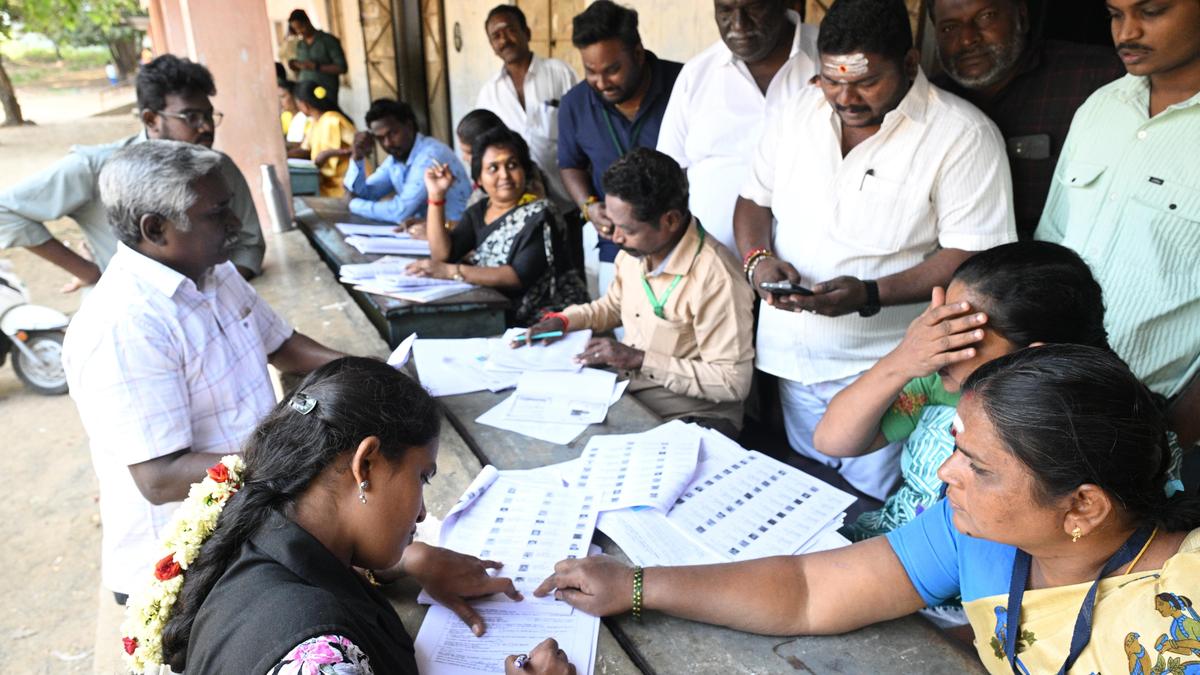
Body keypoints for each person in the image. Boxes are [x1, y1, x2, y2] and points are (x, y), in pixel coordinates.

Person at [536, 345, 1200, 675]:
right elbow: (807, 590)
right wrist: (640, 584)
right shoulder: (979, 530)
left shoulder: (1183, 612)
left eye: (977, 465)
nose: (946, 473)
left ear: (1082, 503)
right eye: (958, 448)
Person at [733, 0, 1015, 500]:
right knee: (809, 495)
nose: (845, 97)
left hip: (886, 372)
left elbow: (973, 258)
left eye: (865, 81)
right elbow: (753, 200)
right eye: (831, 81)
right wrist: (758, 263)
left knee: (871, 513)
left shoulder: (961, 135)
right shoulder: (798, 110)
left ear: (909, 65)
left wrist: (868, 293)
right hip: (793, 362)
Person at [136, 358, 576, 674]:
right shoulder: (317, 659)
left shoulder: (254, 519)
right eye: (422, 477)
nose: (422, 512)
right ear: (365, 465)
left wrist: (408, 560)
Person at [62, 140, 345, 606]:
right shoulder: (124, 326)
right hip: (183, 570)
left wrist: (369, 371)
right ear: (156, 229)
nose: (234, 225)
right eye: (216, 214)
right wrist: (304, 453)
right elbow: (161, 477)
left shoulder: (211, 271)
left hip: (244, 518)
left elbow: (284, 344)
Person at [814, 241, 1129, 541]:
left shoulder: (1086, 432)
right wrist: (902, 359)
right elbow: (831, 440)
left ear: (1032, 357)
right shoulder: (941, 378)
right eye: (940, 321)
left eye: (962, 333)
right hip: (890, 541)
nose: (939, 342)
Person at [1036, 0, 1200, 452]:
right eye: (1114, 14)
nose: (1126, 32)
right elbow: (1052, 247)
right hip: (1049, 396)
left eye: (1151, 11)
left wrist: (1175, 435)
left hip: (1150, 419)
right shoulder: (1101, 107)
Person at [520, 149, 755, 437]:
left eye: (627, 229)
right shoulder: (636, 252)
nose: (615, 237)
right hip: (632, 394)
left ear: (670, 220)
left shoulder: (717, 278)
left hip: (695, 416)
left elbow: (733, 382)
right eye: (613, 223)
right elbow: (612, 307)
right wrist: (565, 321)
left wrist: (640, 359)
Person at [0, 54, 265, 287]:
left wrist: (214, 294)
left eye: (209, 115)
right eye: (191, 117)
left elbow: (249, 244)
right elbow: (5, 210)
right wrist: (91, 273)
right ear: (151, 119)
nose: (206, 127)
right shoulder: (97, 168)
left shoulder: (218, 168)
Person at [928, 0, 1124, 239]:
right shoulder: (930, 103)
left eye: (986, 17)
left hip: (1066, 262)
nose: (968, 39)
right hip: (960, 263)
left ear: (1022, 17)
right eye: (949, 28)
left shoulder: (1097, 77)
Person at [657, 0, 820, 253]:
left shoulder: (829, 61)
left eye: (754, 7)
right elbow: (668, 172)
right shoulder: (697, 74)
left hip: (810, 273)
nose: (738, 24)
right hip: (714, 272)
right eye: (725, 10)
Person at [558, 0, 683, 294]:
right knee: (621, 335)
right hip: (615, 251)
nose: (601, 82)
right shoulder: (574, 104)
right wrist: (588, 206)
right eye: (591, 71)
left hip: (683, 247)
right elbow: (570, 164)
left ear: (638, 54)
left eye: (612, 69)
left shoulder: (684, 85)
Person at [407, 128, 588, 327]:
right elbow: (442, 255)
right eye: (493, 168)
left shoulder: (541, 213)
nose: (505, 175)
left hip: (546, 321)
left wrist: (451, 271)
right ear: (479, 179)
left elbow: (516, 276)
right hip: (497, 312)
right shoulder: (480, 210)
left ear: (525, 170)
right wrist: (436, 196)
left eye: (512, 165)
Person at [476, 4, 579, 213]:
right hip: (518, 208)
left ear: (527, 32)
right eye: (496, 36)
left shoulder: (559, 73)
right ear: (491, 45)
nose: (504, 40)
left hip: (567, 198)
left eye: (510, 30)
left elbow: (584, 127)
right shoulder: (488, 94)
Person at [343, 98, 471, 223]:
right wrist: (357, 157)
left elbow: (400, 211)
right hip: (427, 232)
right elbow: (363, 194)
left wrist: (353, 204)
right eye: (380, 138)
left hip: (457, 233)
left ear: (409, 126)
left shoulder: (430, 155)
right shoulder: (395, 159)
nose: (387, 143)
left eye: (393, 133)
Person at [290, 81, 356, 197]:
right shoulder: (315, 123)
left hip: (345, 182)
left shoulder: (332, 120)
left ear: (304, 104)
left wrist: (335, 153)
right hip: (328, 182)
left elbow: (359, 145)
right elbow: (305, 150)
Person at [287, 9, 347, 103]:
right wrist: (295, 65)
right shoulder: (300, 45)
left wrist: (316, 66)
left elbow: (342, 68)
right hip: (306, 97)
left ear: (307, 22)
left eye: (301, 27)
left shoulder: (328, 41)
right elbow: (301, 68)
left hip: (325, 95)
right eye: (296, 29)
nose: (299, 31)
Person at [277, 76, 309, 148]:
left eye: (283, 96)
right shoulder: (285, 116)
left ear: (294, 96)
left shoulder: (307, 118)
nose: (279, 101)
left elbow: (304, 146)